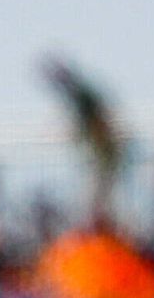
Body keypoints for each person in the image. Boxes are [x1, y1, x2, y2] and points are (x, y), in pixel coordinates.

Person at [40, 55, 126, 223]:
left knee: (98, 195)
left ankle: (102, 228)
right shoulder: (79, 95)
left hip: (104, 155)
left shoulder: (81, 94)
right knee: (98, 195)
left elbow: (99, 120)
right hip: (100, 154)